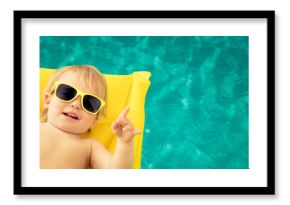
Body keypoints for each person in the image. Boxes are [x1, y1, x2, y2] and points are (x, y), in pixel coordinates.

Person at [40, 65, 141, 169]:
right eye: (67, 93)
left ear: (95, 120)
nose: (76, 105)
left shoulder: (90, 148)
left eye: (89, 102)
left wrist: (124, 143)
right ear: (48, 100)